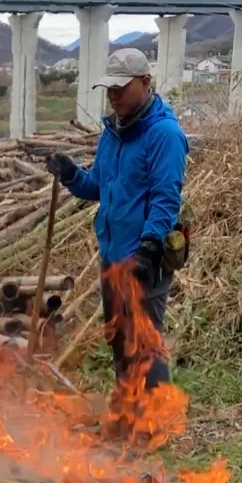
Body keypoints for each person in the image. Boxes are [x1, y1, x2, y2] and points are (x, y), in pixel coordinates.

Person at [47, 48, 189, 392]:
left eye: (121, 88)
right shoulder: (114, 132)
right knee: (119, 338)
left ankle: (154, 421)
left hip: (143, 258)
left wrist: (149, 246)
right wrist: (70, 174)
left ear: (144, 82)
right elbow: (98, 186)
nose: (113, 96)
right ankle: (128, 411)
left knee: (145, 342)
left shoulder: (164, 134)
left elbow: (165, 197)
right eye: (109, 89)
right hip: (112, 255)